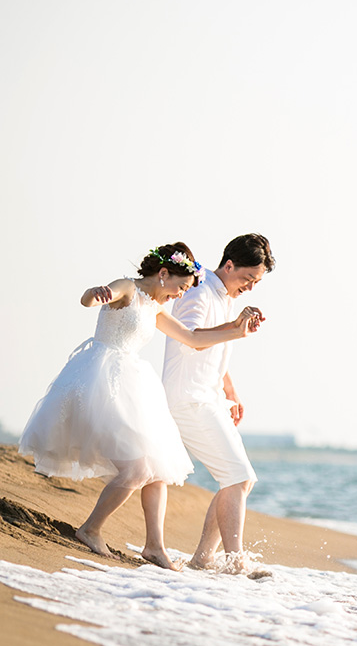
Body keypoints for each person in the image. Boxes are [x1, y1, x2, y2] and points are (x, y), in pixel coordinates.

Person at [19, 243, 261, 570]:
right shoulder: (127, 288)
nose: (180, 296)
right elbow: (89, 298)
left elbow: (193, 339)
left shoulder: (156, 308)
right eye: (180, 287)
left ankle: (155, 547)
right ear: (163, 273)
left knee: (157, 470)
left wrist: (237, 331)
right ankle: (90, 529)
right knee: (137, 470)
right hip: (100, 380)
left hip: (133, 383)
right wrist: (97, 293)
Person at [163, 233, 274, 572]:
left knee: (241, 479)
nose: (250, 288)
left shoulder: (224, 297)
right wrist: (235, 329)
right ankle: (235, 561)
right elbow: (192, 339)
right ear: (229, 265)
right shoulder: (196, 291)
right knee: (238, 478)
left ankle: (202, 560)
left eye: (257, 282)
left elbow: (215, 353)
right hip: (187, 399)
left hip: (208, 397)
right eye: (248, 278)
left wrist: (231, 391)